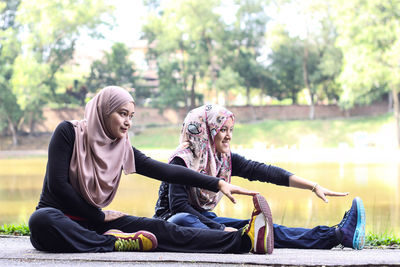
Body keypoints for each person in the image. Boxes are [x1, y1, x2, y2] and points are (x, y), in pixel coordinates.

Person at [28, 86, 275, 254]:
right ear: (104, 112)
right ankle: (113, 242)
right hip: (61, 221)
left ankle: (243, 240)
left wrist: (217, 183)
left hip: (94, 223)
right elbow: (58, 186)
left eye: (131, 116)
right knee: (40, 220)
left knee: (160, 228)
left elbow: (165, 171)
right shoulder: (68, 133)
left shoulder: (121, 147)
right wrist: (99, 217)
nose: (128, 122)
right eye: (122, 114)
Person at [154, 104, 366, 250]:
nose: (228, 135)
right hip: (172, 224)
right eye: (222, 129)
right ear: (207, 130)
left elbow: (263, 171)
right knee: (184, 219)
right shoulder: (182, 160)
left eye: (231, 129)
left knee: (268, 230)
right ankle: (237, 239)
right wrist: (220, 228)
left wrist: (312, 185)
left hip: (203, 221)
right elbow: (179, 206)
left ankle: (337, 235)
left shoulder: (222, 159)